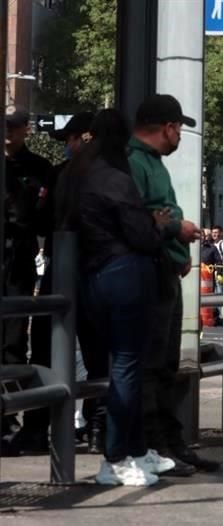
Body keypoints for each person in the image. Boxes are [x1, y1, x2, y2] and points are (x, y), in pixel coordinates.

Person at [58, 109, 178, 486]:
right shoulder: (116, 179)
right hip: (125, 273)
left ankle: (135, 449)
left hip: (85, 277)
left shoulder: (73, 175)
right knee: (127, 366)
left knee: (104, 367)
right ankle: (117, 456)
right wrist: (156, 225)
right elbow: (140, 236)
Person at [128, 94, 218, 474]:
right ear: (166, 127)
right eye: (178, 128)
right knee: (151, 364)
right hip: (148, 272)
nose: (179, 135)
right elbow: (138, 217)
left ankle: (171, 441)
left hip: (165, 268)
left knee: (166, 364)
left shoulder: (152, 164)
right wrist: (174, 228)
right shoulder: (135, 163)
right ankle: (154, 444)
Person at [18, 112, 107, 456]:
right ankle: (98, 426)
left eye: (69, 140)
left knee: (44, 350)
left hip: (61, 275)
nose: (67, 147)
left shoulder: (59, 176)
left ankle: (37, 428)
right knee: (99, 353)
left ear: (82, 138)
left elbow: (41, 221)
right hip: (97, 273)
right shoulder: (114, 176)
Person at [1, 107, 53, 454]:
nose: (9, 132)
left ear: (25, 130)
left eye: (14, 126)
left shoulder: (39, 169)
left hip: (18, 261)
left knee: (13, 341)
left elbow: (44, 217)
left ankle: (17, 419)